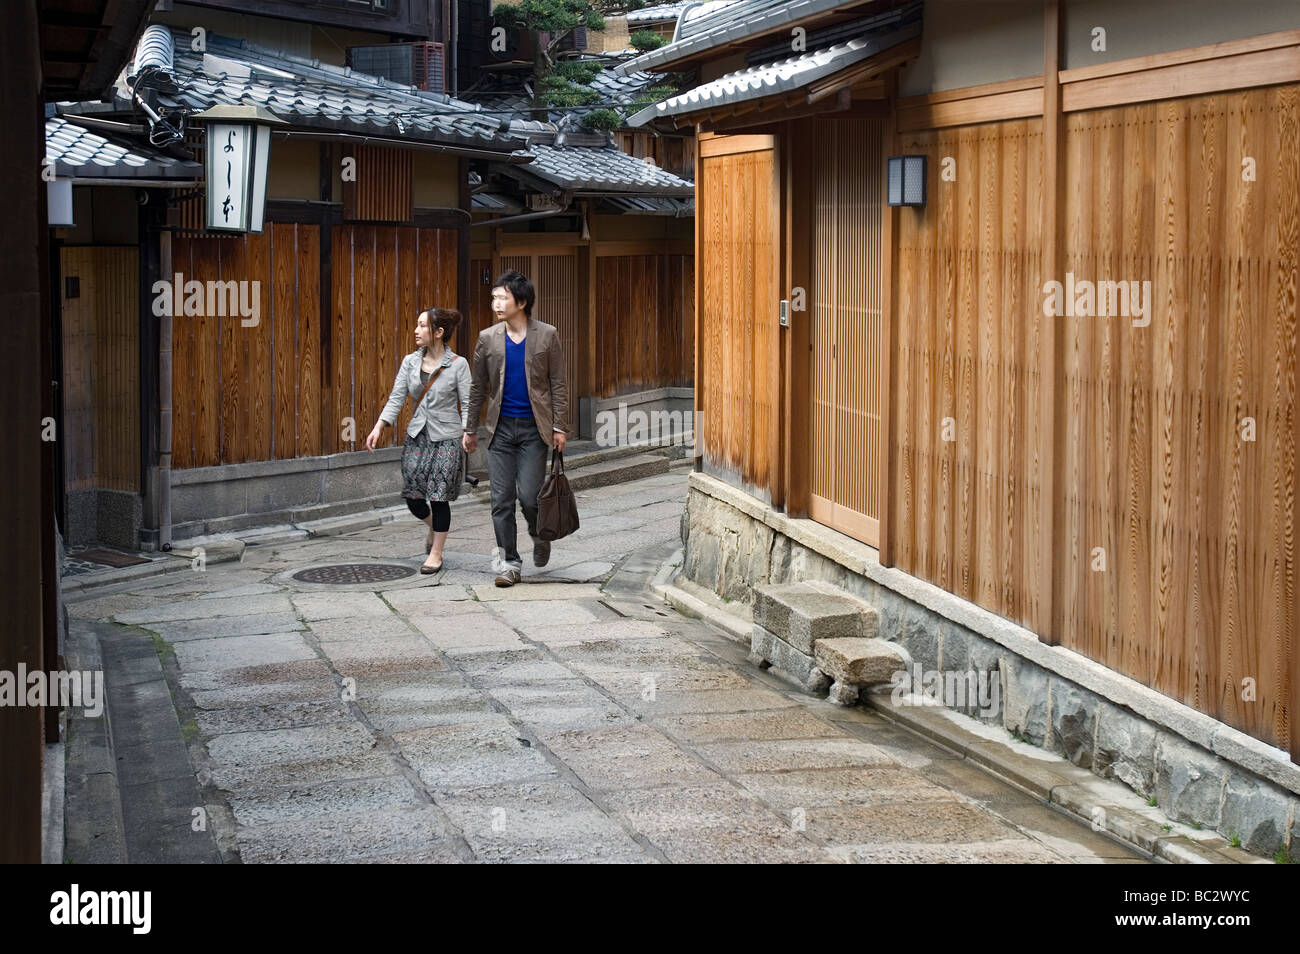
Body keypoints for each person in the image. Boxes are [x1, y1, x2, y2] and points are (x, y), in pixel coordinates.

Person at [464, 270, 568, 587]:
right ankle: (510, 563)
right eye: (494, 297)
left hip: (535, 431)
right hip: (500, 430)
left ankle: (539, 534)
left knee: (530, 497)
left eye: (502, 297)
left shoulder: (547, 335)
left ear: (520, 302)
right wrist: (469, 429)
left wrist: (559, 426)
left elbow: (558, 384)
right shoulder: (487, 338)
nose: (496, 302)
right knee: (500, 500)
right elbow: (477, 387)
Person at [366, 308, 471, 574]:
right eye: (417, 324)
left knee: (438, 496)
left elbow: (469, 402)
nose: (416, 330)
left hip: (447, 437)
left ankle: (436, 554)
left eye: (422, 326)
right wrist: (379, 426)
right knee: (413, 496)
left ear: (438, 332)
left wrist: (468, 432)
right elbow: (396, 397)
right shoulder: (409, 362)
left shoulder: (458, 364)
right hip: (417, 435)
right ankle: (435, 525)